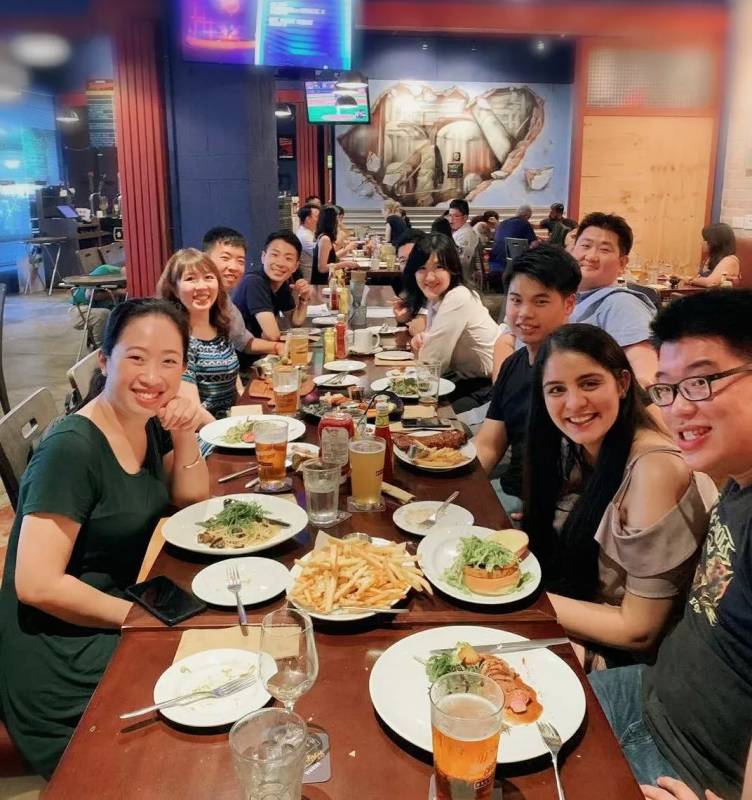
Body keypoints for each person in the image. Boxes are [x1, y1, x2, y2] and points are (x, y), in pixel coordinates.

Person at [0, 299, 209, 777]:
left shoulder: (145, 420)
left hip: (115, 606)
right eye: (136, 358)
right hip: (59, 647)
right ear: (104, 360)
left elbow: (192, 497)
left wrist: (184, 429)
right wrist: (140, 619)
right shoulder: (71, 450)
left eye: (169, 361)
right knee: (202, 692)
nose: (152, 377)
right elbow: (36, 585)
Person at [589, 289, 752, 799]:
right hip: (646, 692)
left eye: (701, 381)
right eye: (667, 389)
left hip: (685, 770)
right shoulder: (737, 480)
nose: (679, 408)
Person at [524, 324, 716, 668]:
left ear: (623, 383)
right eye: (556, 389)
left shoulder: (654, 469)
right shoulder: (584, 447)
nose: (574, 403)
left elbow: (639, 631)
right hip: (584, 615)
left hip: (634, 660)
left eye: (589, 383)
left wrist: (518, 594)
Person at [475, 245, 580, 516]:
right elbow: (489, 444)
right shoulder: (514, 364)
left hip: (556, 508)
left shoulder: (584, 366)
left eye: (540, 302)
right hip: (512, 491)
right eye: (516, 300)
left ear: (569, 304)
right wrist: (462, 485)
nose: (524, 313)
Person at [407, 233, 498, 409]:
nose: (430, 277)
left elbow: (432, 362)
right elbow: (433, 353)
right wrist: (425, 340)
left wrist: (425, 349)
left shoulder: (458, 297)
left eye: (439, 267)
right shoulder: (438, 299)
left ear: (453, 267)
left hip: (487, 389)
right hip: (465, 379)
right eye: (422, 268)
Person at [570, 212, 658, 388]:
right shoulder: (566, 296)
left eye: (604, 250)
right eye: (585, 246)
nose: (591, 256)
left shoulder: (622, 304)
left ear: (622, 263)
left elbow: (646, 376)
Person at [158, 248, 241, 423]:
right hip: (203, 430)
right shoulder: (178, 340)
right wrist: (228, 432)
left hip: (231, 421)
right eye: (190, 279)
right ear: (174, 289)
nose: (202, 286)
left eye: (208, 277)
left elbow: (236, 386)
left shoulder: (220, 328)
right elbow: (192, 409)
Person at [202, 227, 284, 358]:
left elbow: (243, 341)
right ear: (205, 260)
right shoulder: (193, 303)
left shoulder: (224, 301)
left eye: (240, 261)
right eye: (225, 258)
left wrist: (277, 347)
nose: (234, 267)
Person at [232, 231, 311, 342]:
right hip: (244, 351)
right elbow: (272, 335)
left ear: (295, 266)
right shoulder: (254, 283)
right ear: (263, 257)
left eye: (288, 258)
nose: (280, 263)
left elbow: (295, 322)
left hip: (263, 348)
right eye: (275, 255)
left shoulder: (282, 284)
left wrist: (304, 298)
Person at [68, 263, 126, 347]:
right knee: (104, 314)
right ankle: (101, 348)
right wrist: (118, 292)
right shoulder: (106, 270)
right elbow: (89, 294)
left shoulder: (126, 281)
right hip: (79, 310)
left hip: (94, 311)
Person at [391, 229, 429, 333]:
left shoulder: (435, 283)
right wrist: (405, 315)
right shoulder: (411, 285)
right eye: (403, 260)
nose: (408, 266)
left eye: (413, 259)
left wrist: (425, 321)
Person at [311, 204, 357, 285]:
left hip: (328, 280)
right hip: (322, 283)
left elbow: (331, 258)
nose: (339, 222)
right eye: (337, 218)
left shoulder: (325, 237)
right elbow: (322, 268)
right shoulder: (325, 239)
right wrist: (345, 264)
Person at [488, 204, 538, 274]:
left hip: (494, 263)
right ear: (526, 216)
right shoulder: (525, 223)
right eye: (529, 218)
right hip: (513, 266)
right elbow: (535, 244)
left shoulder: (503, 223)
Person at [689, 223, 740, 287]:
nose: (702, 243)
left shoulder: (730, 260)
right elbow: (699, 278)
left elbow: (710, 282)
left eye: (705, 240)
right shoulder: (710, 258)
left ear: (716, 242)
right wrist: (696, 280)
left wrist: (691, 280)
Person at [447, 198, 480, 285]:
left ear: (465, 217)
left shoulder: (466, 235)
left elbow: (461, 263)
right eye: (450, 215)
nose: (451, 220)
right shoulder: (458, 231)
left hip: (460, 280)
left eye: (456, 216)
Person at [294, 205, 320, 279]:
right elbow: (321, 256)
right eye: (317, 217)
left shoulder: (309, 232)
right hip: (311, 277)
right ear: (308, 219)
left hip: (315, 272)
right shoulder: (304, 236)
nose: (320, 219)